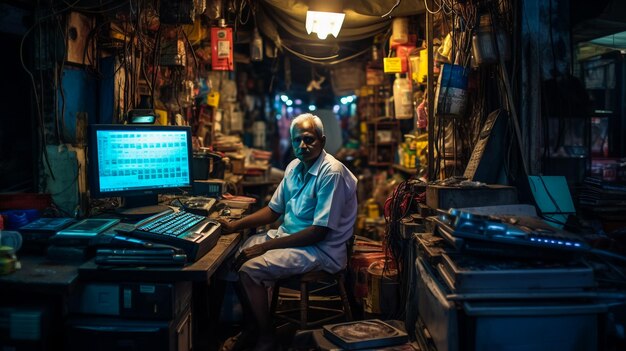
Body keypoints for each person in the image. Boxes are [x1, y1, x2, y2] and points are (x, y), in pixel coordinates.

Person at [219, 113, 358, 351]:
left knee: (250, 269)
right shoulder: (294, 167)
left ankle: (265, 336)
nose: (302, 145)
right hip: (290, 239)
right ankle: (253, 324)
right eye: (296, 140)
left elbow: (318, 233)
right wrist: (235, 225)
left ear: (322, 141)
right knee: (231, 260)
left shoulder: (331, 173)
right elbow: (273, 211)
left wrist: (263, 246)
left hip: (320, 251)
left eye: (308, 139)